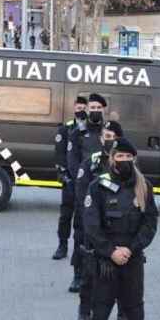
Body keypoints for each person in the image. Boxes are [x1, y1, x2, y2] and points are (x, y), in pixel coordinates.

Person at [83, 137, 158, 320]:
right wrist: (111, 251)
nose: (124, 161)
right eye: (119, 157)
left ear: (133, 159)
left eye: (128, 157)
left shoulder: (144, 186)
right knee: (101, 314)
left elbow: (150, 224)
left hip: (132, 262)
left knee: (136, 315)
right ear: (112, 158)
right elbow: (91, 226)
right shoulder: (97, 186)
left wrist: (131, 249)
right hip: (105, 263)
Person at [74, 120, 123, 320]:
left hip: (119, 230)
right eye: (106, 137)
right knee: (89, 274)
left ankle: (124, 315)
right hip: (95, 228)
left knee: (123, 276)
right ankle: (85, 312)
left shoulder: (127, 165)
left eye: (112, 138)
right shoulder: (91, 162)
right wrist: (92, 222)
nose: (108, 141)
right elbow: (81, 193)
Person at [67, 93, 108, 293]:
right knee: (81, 235)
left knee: (104, 234)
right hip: (84, 193)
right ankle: (78, 275)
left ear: (103, 110)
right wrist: (82, 186)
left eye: (99, 108)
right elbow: (73, 163)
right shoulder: (77, 133)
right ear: (86, 109)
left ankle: (103, 276)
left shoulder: (110, 132)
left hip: (106, 193)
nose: (95, 111)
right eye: (92, 107)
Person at [52, 96, 87, 261]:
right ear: (74, 108)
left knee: (82, 217)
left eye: (83, 107)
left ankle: (79, 248)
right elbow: (59, 154)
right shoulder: (66, 128)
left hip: (86, 181)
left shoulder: (91, 129)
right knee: (66, 215)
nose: (80, 110)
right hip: (70, 181)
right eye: (78, 107)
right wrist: (63, 175)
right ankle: (62, 245)